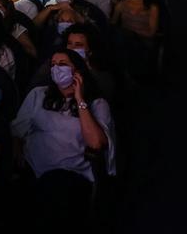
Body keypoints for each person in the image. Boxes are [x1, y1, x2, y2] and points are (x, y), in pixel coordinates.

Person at [11, 50, 114, 222]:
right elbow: (16, 130)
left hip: (70, 175)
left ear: (77, 71)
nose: (56, 68)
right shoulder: (39, 94)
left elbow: (96, 143)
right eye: (53, 65)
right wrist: (17, 151)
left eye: (63, 64)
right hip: (32, 168)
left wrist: (80, 98)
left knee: (52, 193)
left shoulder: (97, 104)